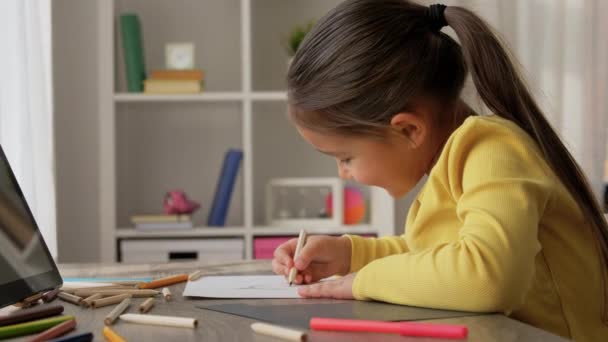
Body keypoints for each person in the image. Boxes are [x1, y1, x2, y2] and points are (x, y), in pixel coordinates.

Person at [271, 1, 608, 340]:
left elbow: (485, 276)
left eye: (345, 158)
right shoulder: (457, 161)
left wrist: (362, 282)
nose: (343, 174)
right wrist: (350, 255)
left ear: (408, 130)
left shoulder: (493, 152)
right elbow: (437, 257)